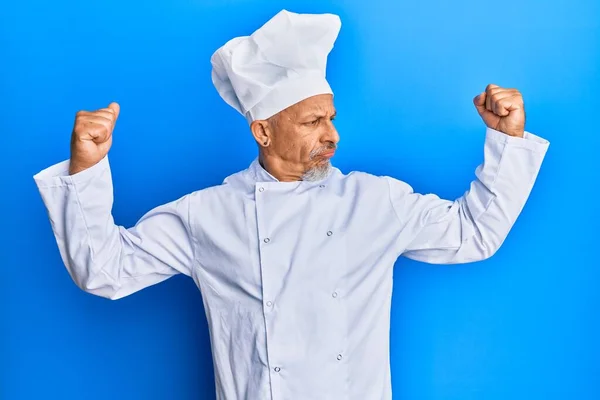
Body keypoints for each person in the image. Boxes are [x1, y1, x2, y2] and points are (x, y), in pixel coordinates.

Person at [33, 9, 549, 400]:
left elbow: (473, 235)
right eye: (312, 122)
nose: (333, 136)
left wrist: (508, 139)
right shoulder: (206, 215)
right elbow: (104, 271)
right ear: (262, 130)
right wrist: (87, 169)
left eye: (331, 118)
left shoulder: (375, 200)